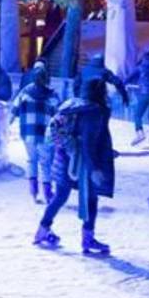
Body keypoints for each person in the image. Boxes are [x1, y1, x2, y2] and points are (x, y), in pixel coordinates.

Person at [33, 77, 116, 255]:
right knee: (91, 199)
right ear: (101, 92)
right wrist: (94, 168)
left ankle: (42, 230)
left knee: (60, 196)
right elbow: (88, 141)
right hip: (83, 162)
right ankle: (88, 239)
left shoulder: (72, 105)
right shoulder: (94, 112)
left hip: (64, 158)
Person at [9, 65, 61, 203]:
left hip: (28, 133)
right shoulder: (52, 94)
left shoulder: (25, 92)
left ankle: (33, 191)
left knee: (32, 160)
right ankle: (48, 193)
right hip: (45, 134)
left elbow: (14, 108)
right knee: (45, 163)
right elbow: (59, 114)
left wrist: (10, 120)